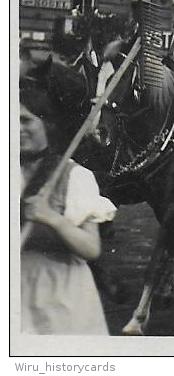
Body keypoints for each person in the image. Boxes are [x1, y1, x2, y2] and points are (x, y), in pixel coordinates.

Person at [20, 94, 116, 334]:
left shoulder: (74, 176)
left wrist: (50, 217)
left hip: (61, 296)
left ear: (47, 123)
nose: (16, 128)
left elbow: (91, 249)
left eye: (25, 120)